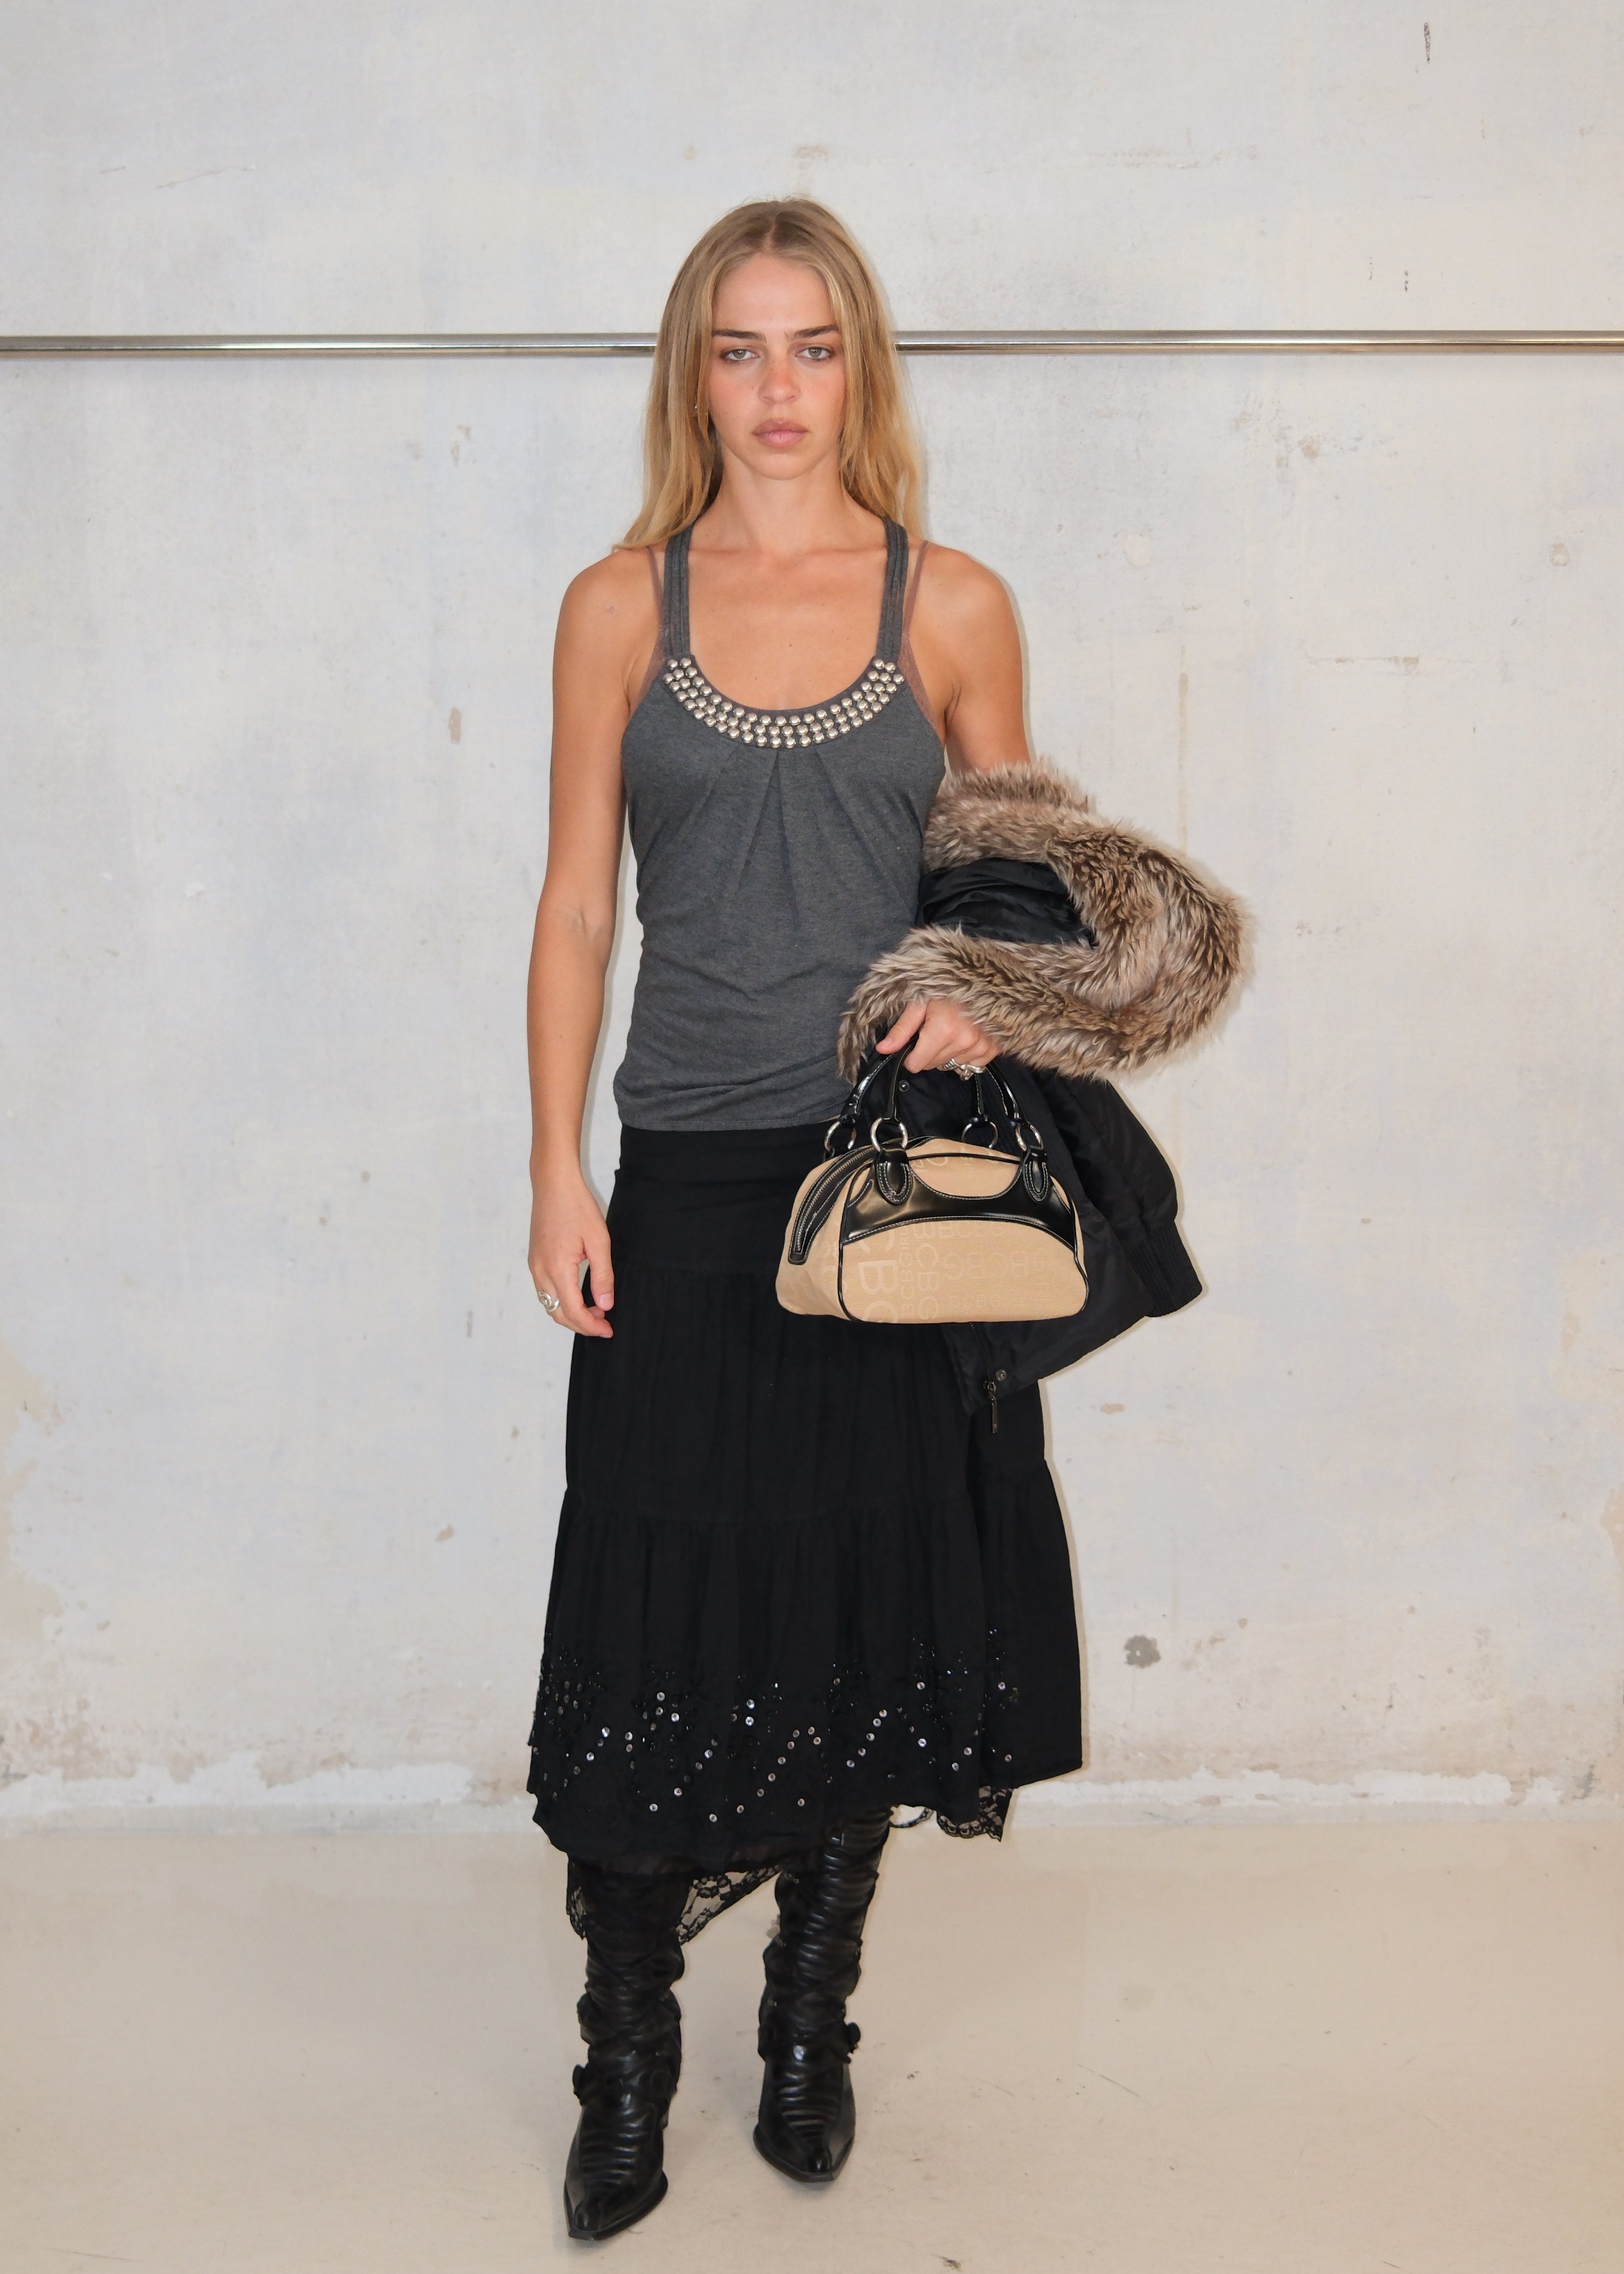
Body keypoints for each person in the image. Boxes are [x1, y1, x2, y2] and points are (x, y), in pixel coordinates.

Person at [523, 198, 1243, 2242]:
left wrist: (988, 992)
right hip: (686, 1170)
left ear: (863, 367)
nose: (779, 390)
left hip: (892, 1179)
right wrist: (554, 1161)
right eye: (741, 348)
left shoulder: (954, 604)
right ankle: (626, 2053)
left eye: (815, 346)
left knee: (859, 1598)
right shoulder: (617, 607)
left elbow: (1036, 885)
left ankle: (808, 2020)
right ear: (695, 373)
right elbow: (576, 906)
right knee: (651, 1604)